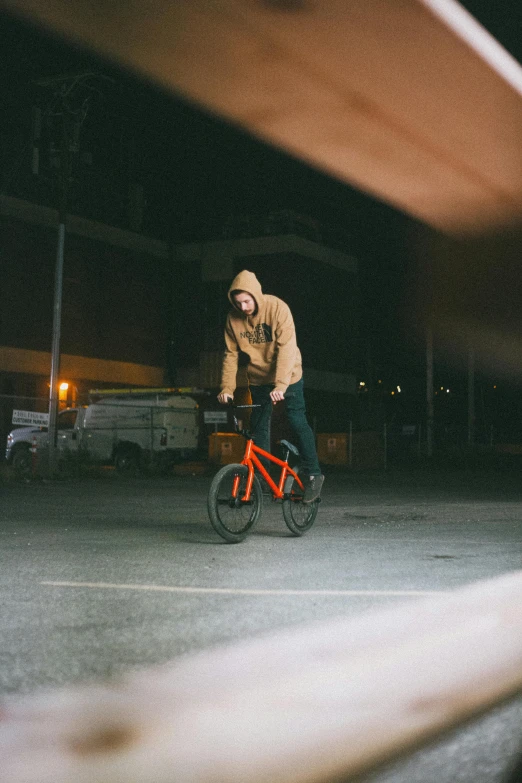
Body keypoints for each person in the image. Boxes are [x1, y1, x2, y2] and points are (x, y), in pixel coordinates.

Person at [217, 269, 324, 503]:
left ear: (256, 295)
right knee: (259, 428)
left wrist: (282, 384)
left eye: (246, 301)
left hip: (289, 375)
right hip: (259, 379)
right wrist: (226, 388)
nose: (243, 307)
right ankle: (261, 480)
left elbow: (287, 347)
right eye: (238, 303)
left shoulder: (277, 309)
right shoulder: (233, 320)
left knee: (296, 420)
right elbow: (230, 355)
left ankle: (314, 473)